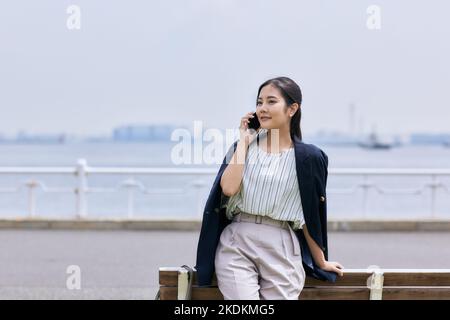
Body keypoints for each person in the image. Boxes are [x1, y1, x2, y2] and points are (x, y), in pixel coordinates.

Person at [195, 76, 344, 300]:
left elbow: (309, 215)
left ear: (292, 109)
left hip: (282, 246)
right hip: (237, 243)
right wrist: (244, 141)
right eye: (259, 102)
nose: (262, 108)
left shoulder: (310, 158)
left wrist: (320, 260)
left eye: (271, 102)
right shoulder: (242, 147)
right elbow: (228, 188)